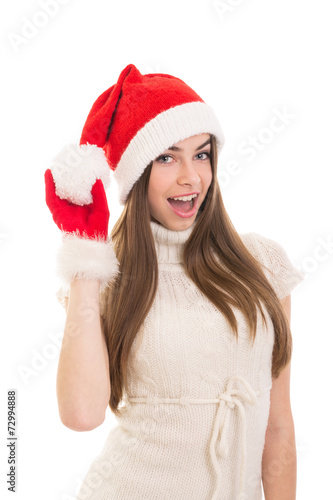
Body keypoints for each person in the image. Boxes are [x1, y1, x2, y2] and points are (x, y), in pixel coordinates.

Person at [44, 63, 305, 500]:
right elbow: (82, 414)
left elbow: (278, 425)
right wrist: (87, 251)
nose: (191, 177)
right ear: (136, 175)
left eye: (201, 154)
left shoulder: (262, 264)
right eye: (166, 157)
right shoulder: (108, 277)